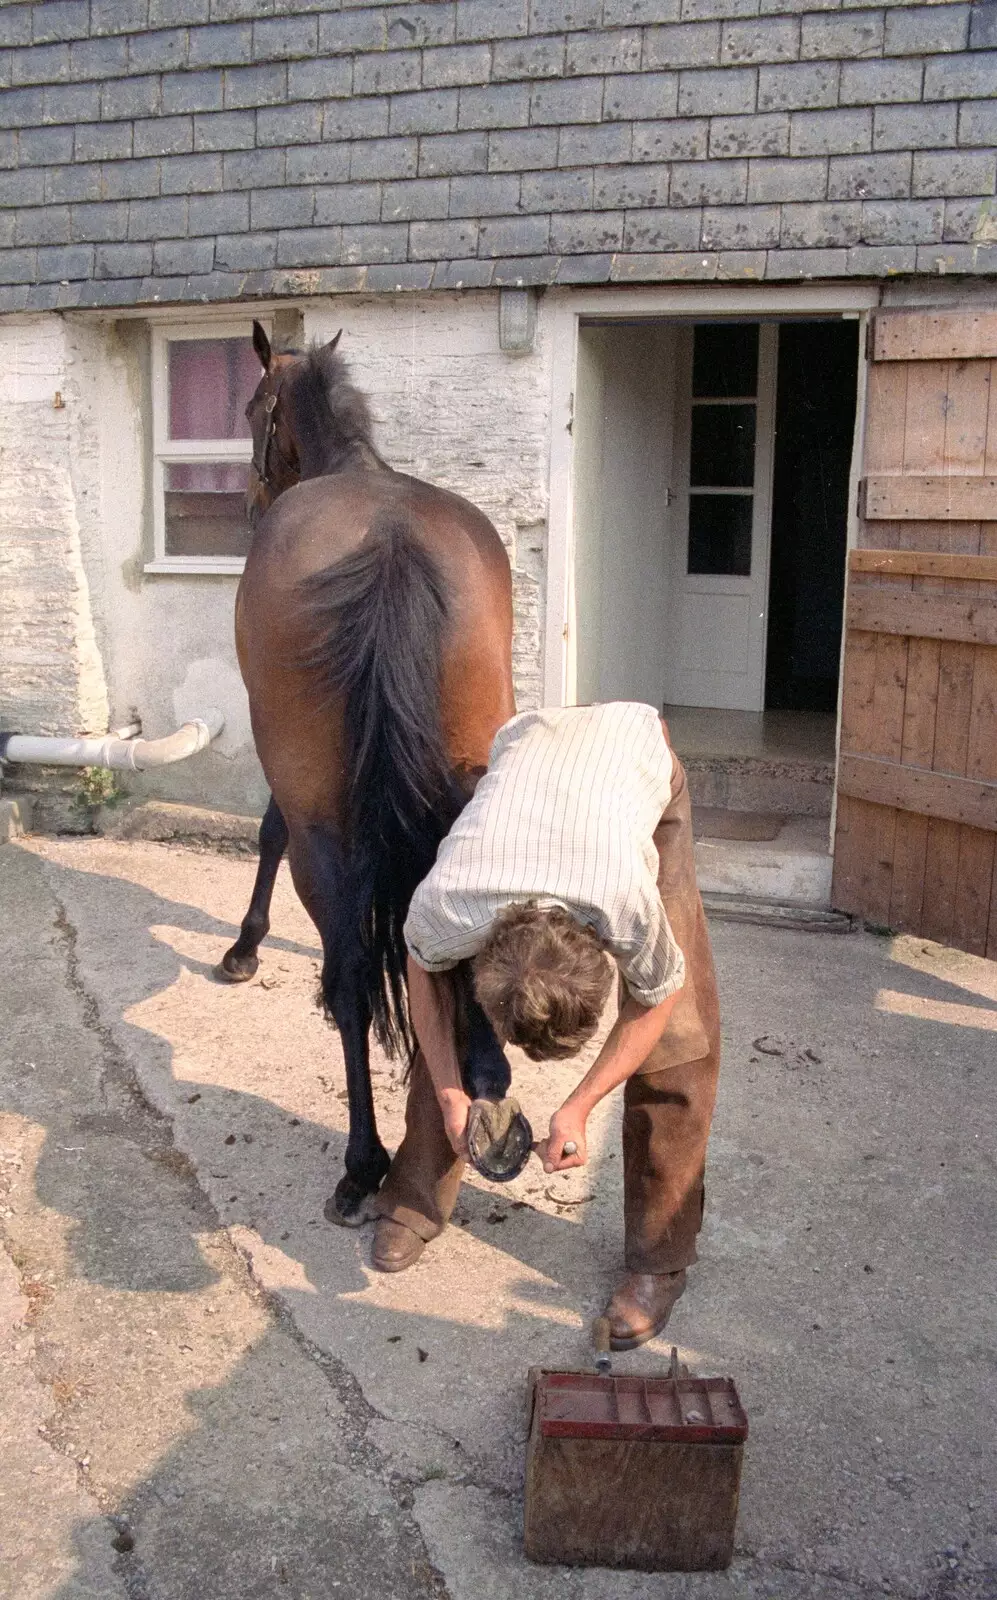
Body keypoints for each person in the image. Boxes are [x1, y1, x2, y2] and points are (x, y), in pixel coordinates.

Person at [370, 701, 721, 1351]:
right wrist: (452, 1095)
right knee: (452, 1018)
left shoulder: (624, 901)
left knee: (681, 1036)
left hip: (632, 754)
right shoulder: (448, 903)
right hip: (533, 746)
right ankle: (415, 1193)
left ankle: (659, 1257)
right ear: (482, 948)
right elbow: (425, 981)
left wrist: (580, 1105)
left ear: (599, 944)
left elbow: (655, 1000)